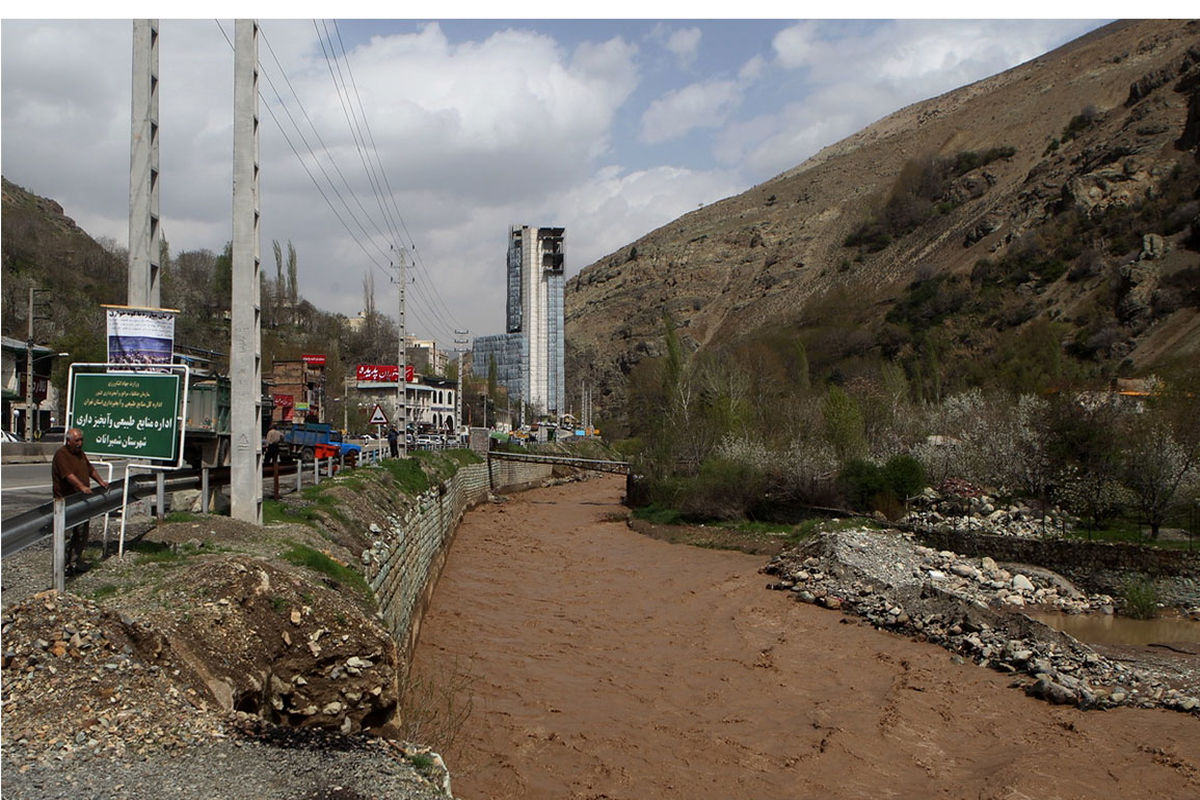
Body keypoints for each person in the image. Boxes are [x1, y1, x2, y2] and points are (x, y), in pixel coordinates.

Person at [51, 427, 108, 575]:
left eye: (81, 440)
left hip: (81, 501)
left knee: (81, 533)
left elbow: (90, 469)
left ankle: (76, 561)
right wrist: (81, 486)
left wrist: (101, 481)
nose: (80, 443)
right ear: (68, 441)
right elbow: (68, 475)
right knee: (67, 535)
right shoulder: (61, 455)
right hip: (66, 501)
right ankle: (61, 566)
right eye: (77, 440)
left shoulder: (80, 454)